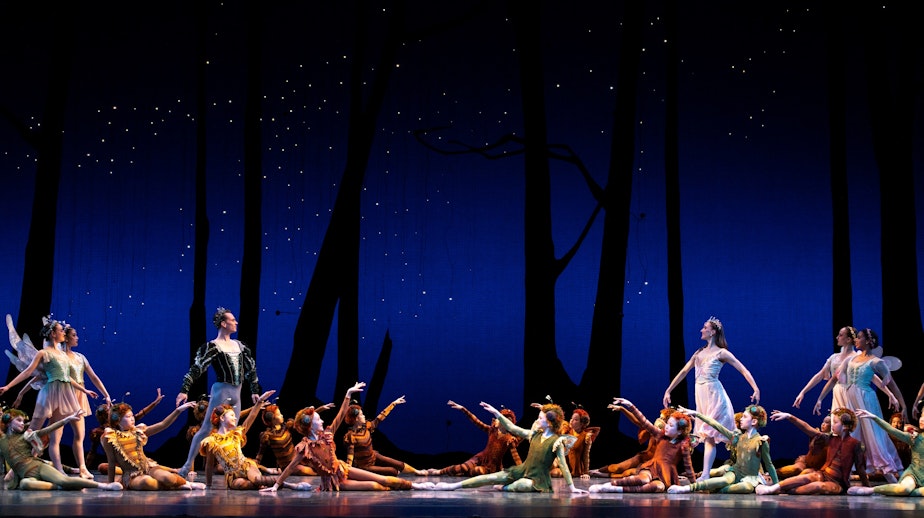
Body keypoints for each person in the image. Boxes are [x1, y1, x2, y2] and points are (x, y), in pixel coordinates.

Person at [260, 382, 432, 492]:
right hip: (334, 481)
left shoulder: (328, 434)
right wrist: (276, 486)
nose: (322, 421)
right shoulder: (304, 448)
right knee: (376, 486)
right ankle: (398, 487)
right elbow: (289, 468)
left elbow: (341, 415)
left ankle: (416, 486)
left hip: (344, 468)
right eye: (318, 420)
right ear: (311, 425)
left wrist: (348, 394)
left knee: (383, 479)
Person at [662, 317, 761, 481]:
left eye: (705, 327)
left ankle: (748, 468)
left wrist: (755, 388)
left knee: (714, 435)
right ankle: (708, 473)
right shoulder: (698, 353)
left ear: (713, 332)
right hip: (701, 396)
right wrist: (669, 389)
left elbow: (743, 370)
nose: (701, 330)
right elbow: (684, 372)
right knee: (709, 436)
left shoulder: (721, 353)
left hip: (715, 396)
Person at [174, 307, 262, 479]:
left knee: (234, 431)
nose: (236, 322)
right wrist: (184, 390)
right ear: (223, 323)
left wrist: (254, 390)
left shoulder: (239, 345)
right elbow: (197, 368)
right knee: (207, 428)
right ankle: (186, 466)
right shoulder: (213, 347)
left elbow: (250, 368)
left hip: (237, 392)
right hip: (222, 391)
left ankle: (236, 464)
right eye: (232, 320)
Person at [424, 402, 587, 494]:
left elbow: (564, 465)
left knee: (522, 485)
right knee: (489, 478)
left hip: (538, 479)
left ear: (550, 422)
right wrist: (496, 413)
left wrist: (572, 487)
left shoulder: (557, 441)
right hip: (523, 470)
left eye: (540, 418)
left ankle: (505, 487)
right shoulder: (534, 434)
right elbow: (514, 428)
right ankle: (453, 486)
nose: (537, 421)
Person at [815, 328, 904, 482]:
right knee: (853, 434)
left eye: (859, 338)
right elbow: (835, 379)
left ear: (868, 342)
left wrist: (896, 399)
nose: (856, 340)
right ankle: (845, 473)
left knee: (873, 435)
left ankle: (893, 476)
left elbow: (888, 384)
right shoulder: (850, 360)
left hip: (866, 399)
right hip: (851, 399)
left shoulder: (876, 362)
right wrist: (820, 398)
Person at [1, 316, 87, 475]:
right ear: (53, 334)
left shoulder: (62, 355)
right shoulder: (43, 353)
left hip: (64, 394)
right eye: (61, 331)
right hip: (49, 393)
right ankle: (13, 469)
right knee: (33, 430)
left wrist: (84, 391)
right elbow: (28, 372)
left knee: (55, 434)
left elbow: (66, 377)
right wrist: (9, 386)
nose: (63, 334)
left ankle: (59, 471)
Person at [199, 389, 304, 490]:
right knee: (239, 485)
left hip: (247, 466)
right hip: (233, 475)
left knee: (257, 480)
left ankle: (286, 484)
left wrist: (259, 402)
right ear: (222, 418)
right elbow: (209, 464)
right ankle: (267, 484)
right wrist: (208, 485)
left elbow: (250, 418)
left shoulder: (236, 434)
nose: (235, 418)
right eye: (232, 415)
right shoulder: (211, 441)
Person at [0, 407, 121, 491]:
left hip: (37, 467)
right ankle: (57, 487)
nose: (22, 423)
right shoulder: (2, 442)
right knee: (25, 484)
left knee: (64, 481)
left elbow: (47, 430)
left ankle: (103, 486)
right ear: (9, 422)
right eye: (18, 420)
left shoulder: (26, 436)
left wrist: (66, 419)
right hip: (25, 475)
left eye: (23, 421)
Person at [588, 398, 694, 493]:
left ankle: (618, 489)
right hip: (651, 467)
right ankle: (610, 485)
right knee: (643, 479)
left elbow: (689, 468)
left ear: (679, 431)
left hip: (665, 475)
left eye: (670, 425)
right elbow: (644, 422)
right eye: (667, 423)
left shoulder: (683, 446)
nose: (666, 426)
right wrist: (630, 406)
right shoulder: (660, 435)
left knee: (658, 487)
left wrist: (696, 486)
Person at [667, 404, 777, 494]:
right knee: (724, 480)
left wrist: (777, 486)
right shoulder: (737, 438)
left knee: (747, 488)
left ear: (753, 422)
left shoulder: (760, 442)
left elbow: (769, 464)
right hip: (735, 472)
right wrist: (697, 414)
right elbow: (717, 426)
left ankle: (719, 490)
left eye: (744, 417)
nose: (741, 419)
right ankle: (687, 488)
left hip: (750, 477)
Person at [756, 408, 868, 495]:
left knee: (819, 486)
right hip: (823, 474)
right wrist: (789, 417)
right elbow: (807, 428)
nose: (833, 425)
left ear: (845, 427)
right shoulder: (830, 439)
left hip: (837, 483)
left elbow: (860, 468)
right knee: (807, 477)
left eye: (836, 422)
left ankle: (784, 491)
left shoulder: (855, 444)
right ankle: (772, 489)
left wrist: (867, 488)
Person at [102, 400, 205, 490]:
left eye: (132, 416)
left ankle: (186, 483)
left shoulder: (138, 431)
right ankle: (174, 486)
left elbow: (163, 424)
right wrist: (111, 484)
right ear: (117, 421)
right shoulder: (111, 437)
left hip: (148, 468)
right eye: (128, 417)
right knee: (146, 482)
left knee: (167, 477)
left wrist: (178, 410)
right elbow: (111, 462)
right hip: (131, 475)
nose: (132, 418)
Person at [425, 400, 522, 477]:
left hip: (492, 466)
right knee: (462, 467)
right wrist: (463, 409)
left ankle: (464, 473)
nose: (505, 423)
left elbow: (516, 456)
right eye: (503, 420)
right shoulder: (492, 430)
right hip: (481, 457)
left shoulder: (509, 439)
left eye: (508, 421)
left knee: (477, 471)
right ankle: (439, 472)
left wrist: (521, 471)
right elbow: (476, 421)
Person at [342, 395, 426, 476]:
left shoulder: (367, 426)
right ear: (356, 419)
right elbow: (350, 456)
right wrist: (348, 470)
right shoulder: (351, 436)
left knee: (399, 464)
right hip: (364, 466)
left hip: (373, 456)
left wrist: (393, 404)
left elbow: (379, 418)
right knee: (393, 471)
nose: (364, 416)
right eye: (361, 415)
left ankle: (417, 471)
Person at [847, 409, 924, 496]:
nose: (921, 419)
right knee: (904, 489)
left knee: (909, 491)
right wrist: (875, 418)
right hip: (914, 475)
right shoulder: (915, 438)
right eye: (921, 415)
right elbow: (892, 430)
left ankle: (912, 493)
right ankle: (871, 490)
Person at [88, 389, 165, 475]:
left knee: (146, 464)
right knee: (102, 467)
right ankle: (132, 471)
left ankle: (143, 469)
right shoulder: (99, 432)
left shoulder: (123, 425)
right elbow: (92, 451)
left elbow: (141, 413)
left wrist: (155, 403)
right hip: (118, 464)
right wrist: (83, 468)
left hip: (133, 460)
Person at [589, 406, 671, 478]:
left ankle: (604, 475)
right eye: (660, 417)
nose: (659, 420)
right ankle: (598, 471)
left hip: (652, 463)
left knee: (628, 473)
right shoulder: (652, 430)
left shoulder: (670, 437)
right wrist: (622, 409)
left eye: (663, 419)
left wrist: (672, 474)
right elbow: (637, 420)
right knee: (618, 468)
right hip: (642, 457)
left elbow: (672, 457)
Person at [792, 326, 857, 410]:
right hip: (838, 393)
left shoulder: (856, 357)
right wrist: (803, 392)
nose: (837, 337)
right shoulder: (834, 357)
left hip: (852, 394)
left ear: (848, 339)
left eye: (840, 335)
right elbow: (820, 375)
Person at [255, 401, 327, 476]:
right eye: (279, 414)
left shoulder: (286, 426)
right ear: (272, 418)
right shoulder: (267, 435)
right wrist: (256, 465)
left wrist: (320, 409)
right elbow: (260, 453)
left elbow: (304, 420)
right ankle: (325, 473)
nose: (282, 415)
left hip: (299, 459)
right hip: (287, 466)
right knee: (307, 471)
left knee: (316, 463)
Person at [767, 410, 831, 479]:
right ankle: (769, 474)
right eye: (823, 422)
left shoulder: (828, 438)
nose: (823, 424)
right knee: (796, 468)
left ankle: (784, 486)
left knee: (805, 473)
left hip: (817, 469)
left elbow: (805, 426)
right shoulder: (817, 433)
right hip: (805, 462)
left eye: (827, 423)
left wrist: (789, 416)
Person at [551, 406, 599, 479]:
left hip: (574, 468)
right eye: (571, 418)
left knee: (557, 474)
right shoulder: (566, 430)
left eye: (575, 420)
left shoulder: (585, 437)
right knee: (552, 468)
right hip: (562, 463)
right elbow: (557, 420)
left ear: (582, 423)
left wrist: (586, 472)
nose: (571, 421)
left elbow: (586, 456)